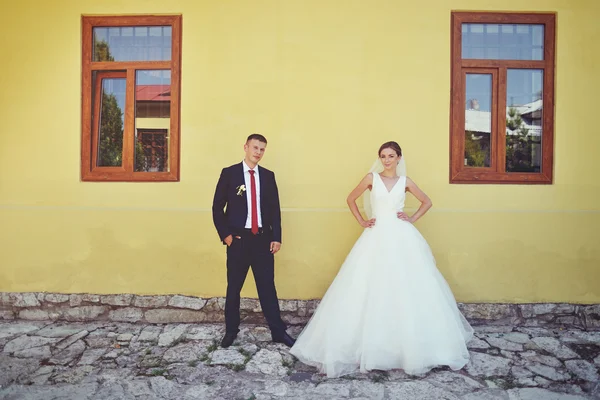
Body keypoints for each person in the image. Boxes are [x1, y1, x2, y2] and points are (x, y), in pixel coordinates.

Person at [290, 141, 473, 378]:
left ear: (399, 158)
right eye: (383, 156)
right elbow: (350, 199)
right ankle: (368, 346)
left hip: (400, 236)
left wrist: (412, 218)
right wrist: (362, 221)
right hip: (375, 235)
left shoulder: (406, 182)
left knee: (405, 286)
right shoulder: (371, 178)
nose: (387, 160)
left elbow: (427, 201)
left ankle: (407, 348)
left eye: (391, 156)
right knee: (367, 285)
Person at [212, 134, 296, 348]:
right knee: (234, 288)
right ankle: (231, 331)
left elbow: (275, 210)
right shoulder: (229, 173)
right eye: (255, 147)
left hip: (262, 241)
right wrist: (227, 236)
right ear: (246, 147)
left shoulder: (268, 176)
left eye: (262, 149)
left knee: (268, 287)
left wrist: (276, 237)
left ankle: (278, 331)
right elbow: (217, 208)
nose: (258, 152)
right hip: (238, 240)